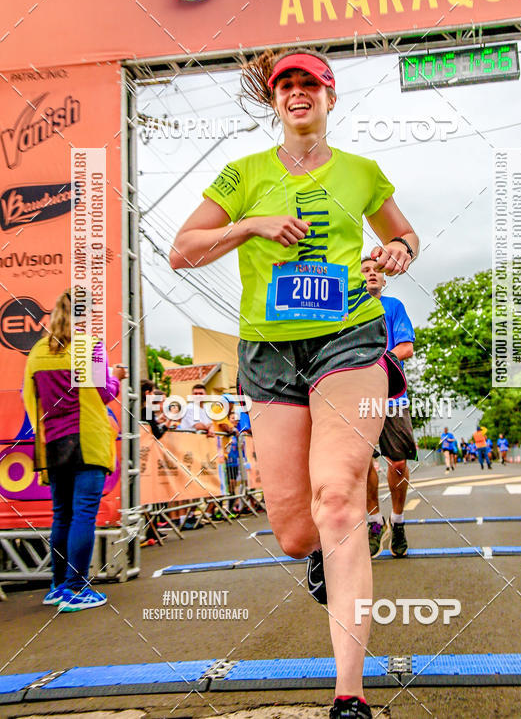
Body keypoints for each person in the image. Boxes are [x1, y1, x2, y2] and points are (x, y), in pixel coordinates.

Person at [170, 47, 418, 719]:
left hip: (350, 339)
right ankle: (319, 554)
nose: (298, 92)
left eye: (311, 82)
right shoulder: (242, 173)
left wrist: (396, 250)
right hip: (270, 353)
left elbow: (406, 237)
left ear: (331, 98)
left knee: (337, 499)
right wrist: (248, 224)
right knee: (293, 531)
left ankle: (350, 695)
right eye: (286, 84)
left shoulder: (363, 172)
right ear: (275, 101)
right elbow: (182, 249)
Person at [22, 288, 126, 612]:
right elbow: (105, 392)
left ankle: (57, 585)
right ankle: (77, 588)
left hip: (53, 442)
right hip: (88, 440)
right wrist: (117, 378)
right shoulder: (88, 347)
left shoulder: (37, 351)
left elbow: (29, 397)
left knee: (61, 515)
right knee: (83, 515)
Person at [360, 256, 417, 559]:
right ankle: (373, 523)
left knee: (397, 463)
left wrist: (377, 366)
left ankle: (398, 521)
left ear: (384, 280)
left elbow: (406, 347)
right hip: (356, 398)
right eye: (366, 270)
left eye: (376, 271)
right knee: (362, 464)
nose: (371, 274)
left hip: (392, 397)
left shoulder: (393, 307)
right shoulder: (346, 310)